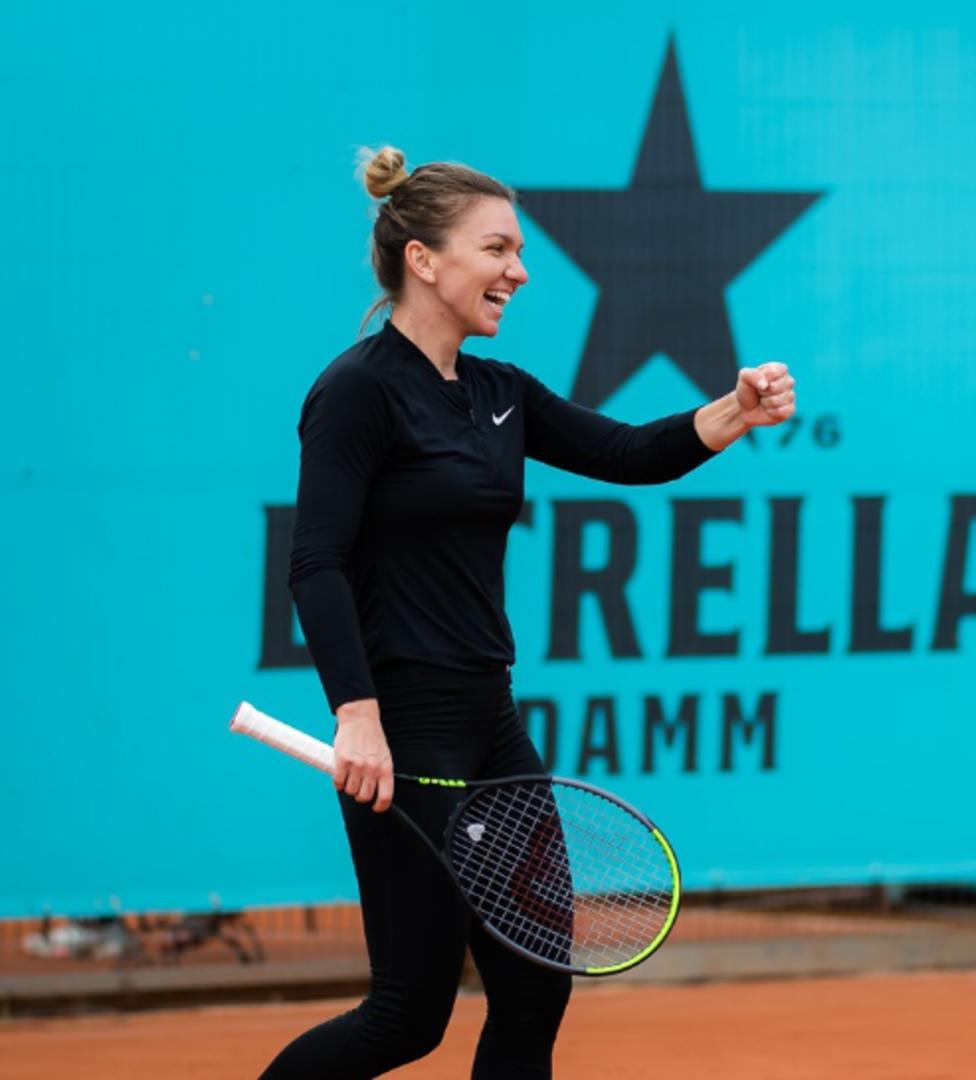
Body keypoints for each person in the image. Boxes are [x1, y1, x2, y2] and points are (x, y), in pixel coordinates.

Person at [263, 146, 797, 1079]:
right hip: (405, 729)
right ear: (423, 259)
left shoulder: (499, 392)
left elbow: (630, 452)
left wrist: (733, 414)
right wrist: (360, 715)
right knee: (407, 1015)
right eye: (498, 248)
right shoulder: (356, 390)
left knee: (536, 985)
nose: (520, 269)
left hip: (491, 721)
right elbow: (316, 563)